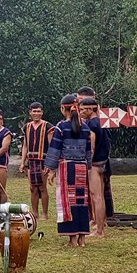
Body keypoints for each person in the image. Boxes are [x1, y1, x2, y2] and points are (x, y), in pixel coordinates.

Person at [45, 94, 94, 248]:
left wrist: (51, 170)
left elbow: (55, 148)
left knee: (68, 202)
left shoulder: (61, 127)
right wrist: (88, 167)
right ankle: (82, 239)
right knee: (82, 201)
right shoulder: (85, 127)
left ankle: (72, 240)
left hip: (67, 168)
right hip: (81, 167)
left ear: (62, 108)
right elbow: (88, 151)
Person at [79, 95, 113, 238]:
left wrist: (87, 162)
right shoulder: (102, 122)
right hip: (103, 162)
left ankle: (99, 231)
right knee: (101, 197)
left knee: (96, 196)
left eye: (82, 110)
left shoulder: (91, 125)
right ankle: (101, 224)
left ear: (89, 109)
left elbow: (91, 146)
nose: (80, 112)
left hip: (95, 164)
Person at [19, 102, 54, 221]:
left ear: (42, 112)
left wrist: (50, 164)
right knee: (32, 187)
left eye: (38, 111)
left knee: (42, 187)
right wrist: (22, 162)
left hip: (43, 160)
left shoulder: (48, 126)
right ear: (30, 113)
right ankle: (34, 213)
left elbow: (51, 146)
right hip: (31, 161)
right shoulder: (26, 127)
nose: (36, 114)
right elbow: (25, 145)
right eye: (34, 111)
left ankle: (44, 213)